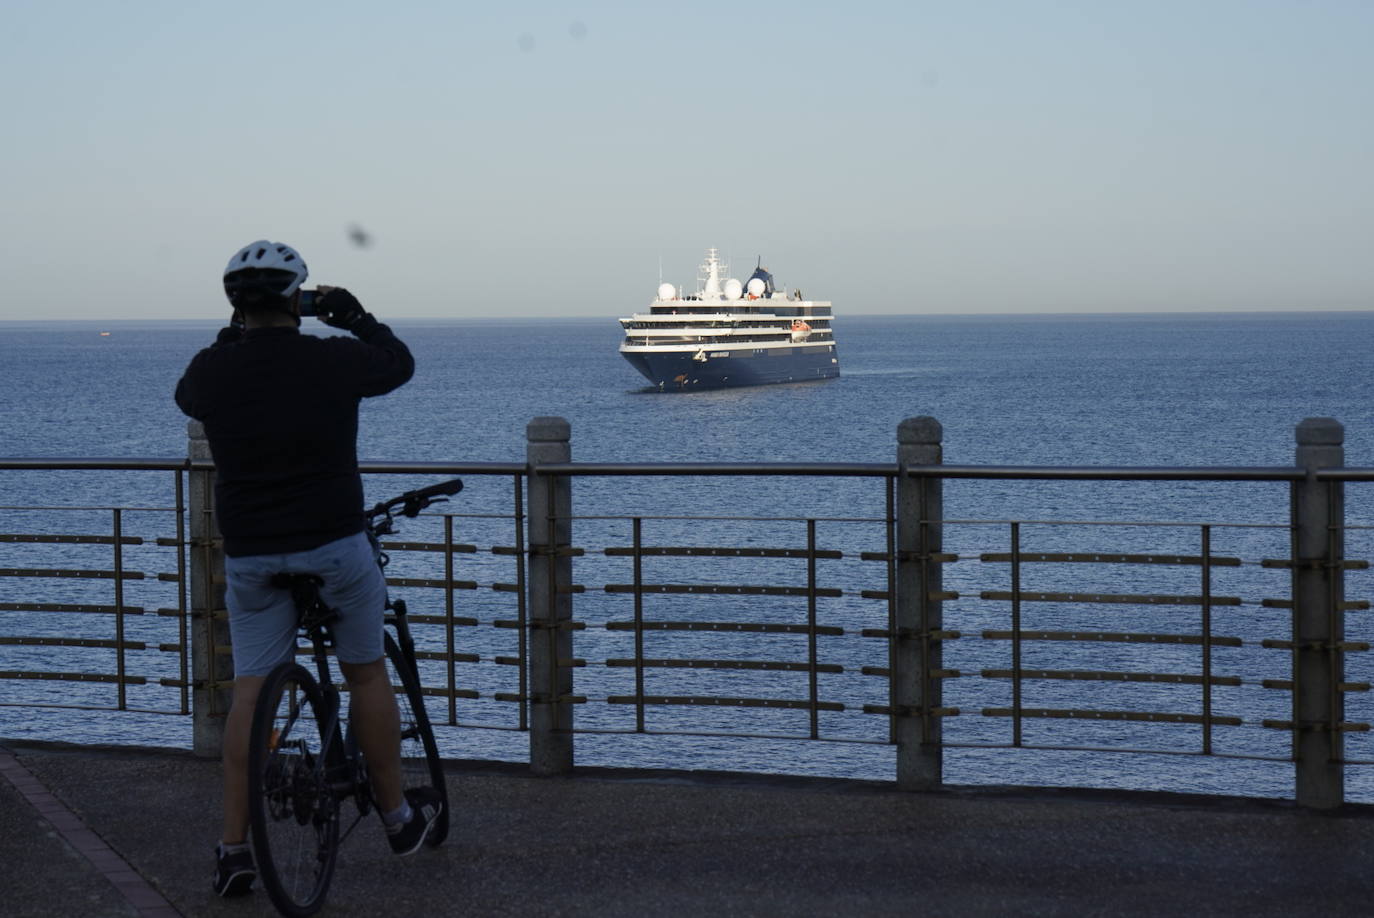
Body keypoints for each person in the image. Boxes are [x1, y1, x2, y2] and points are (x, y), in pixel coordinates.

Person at [175, 240, 442, 898]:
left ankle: (234, 849)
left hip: (252, 555)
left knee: (250, 694)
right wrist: (351, 315)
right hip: (334, 545)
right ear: (300, 298)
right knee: (365, 672)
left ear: (236, 306)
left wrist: (233, 335)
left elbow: (190, 394)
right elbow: (399, 365)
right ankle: (397, 815)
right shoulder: (333, 358)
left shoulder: (214, 368)